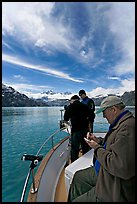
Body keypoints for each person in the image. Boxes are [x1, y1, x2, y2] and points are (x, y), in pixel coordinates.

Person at [67, 95, 135, 202]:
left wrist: (97, 148)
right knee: (78, 176)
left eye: (104, 112)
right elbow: (113, 144)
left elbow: (121, 167)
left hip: (113, 184)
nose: (103, 116)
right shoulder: (120, 123)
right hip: (104, 169)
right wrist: (98, 140)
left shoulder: (127, 128)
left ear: (113, 109)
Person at [64, 95, 93, 163]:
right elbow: (92, 115)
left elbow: (66, 118)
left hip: (75, 131)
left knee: (74, 149)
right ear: (78, 99)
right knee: (85, 147)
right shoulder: (85, 106)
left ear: (72, 100)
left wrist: (67, 111)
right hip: (85, 130)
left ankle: (74, 164)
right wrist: (88, 121)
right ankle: (86, 163)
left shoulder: (70, 107)